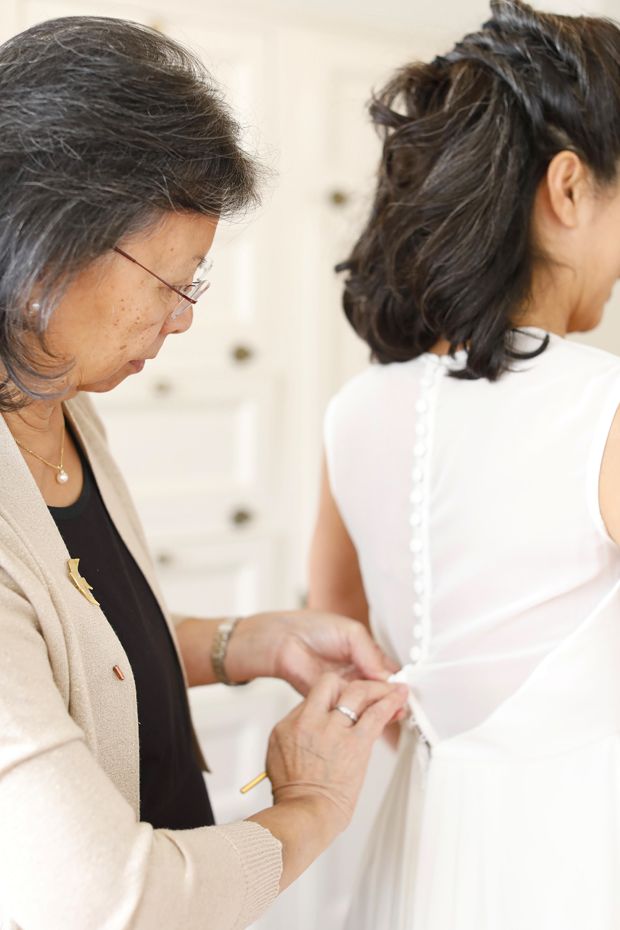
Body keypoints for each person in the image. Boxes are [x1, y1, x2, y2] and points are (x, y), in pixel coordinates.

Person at [0, 16, 410, 930]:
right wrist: (310, 808)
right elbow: (109, 899)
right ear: (48, 245)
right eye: (171, 280)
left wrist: (237, 644)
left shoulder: (60, 402)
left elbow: (70, 651)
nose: (182, 320)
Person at [308, 1, 620, 927]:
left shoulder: (355, 409)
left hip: (426, 838)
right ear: (569, 189)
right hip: (577, 850)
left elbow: (338, 634)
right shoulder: (602, 407)